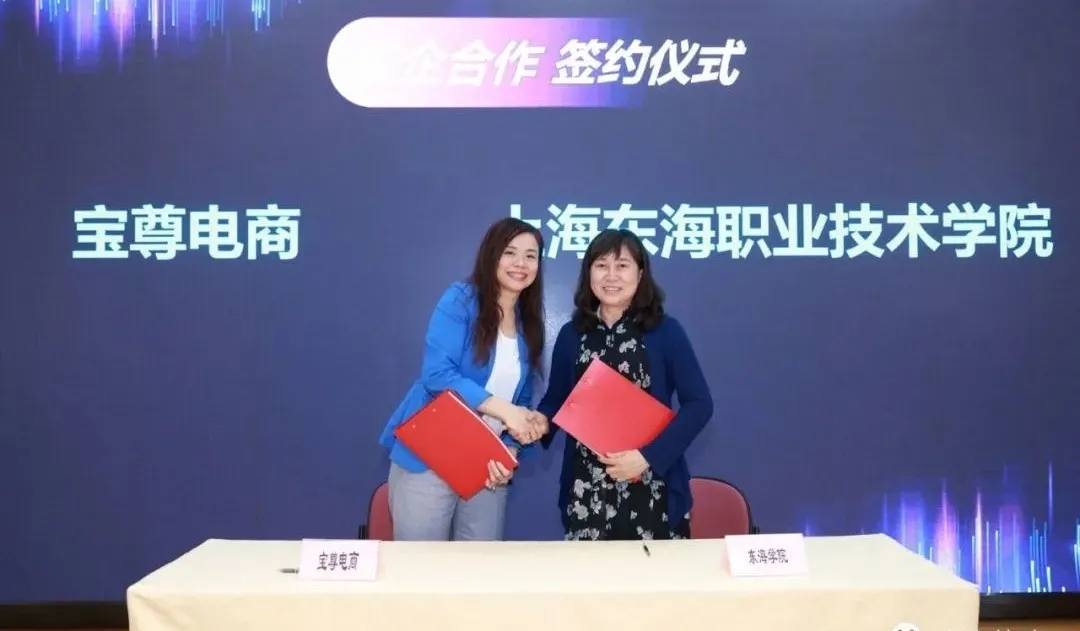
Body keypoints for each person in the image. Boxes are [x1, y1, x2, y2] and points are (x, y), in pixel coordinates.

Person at [533, 229, 713, 540]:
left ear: (640, 274)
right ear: (588, 273)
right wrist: (537, 422)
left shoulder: (665, 331)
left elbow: (699, 404)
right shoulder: (572, 334)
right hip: (587, 492)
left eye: (622, 266)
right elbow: (557, 401)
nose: (611, 276)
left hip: (651, 485)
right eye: (601, 265)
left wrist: (647, 458)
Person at [377, 217, 548, 541]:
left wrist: (513, 445)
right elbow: (437, 375)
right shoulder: (461, 299)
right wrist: (506, 411)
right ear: (492, 254)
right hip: (430, 456)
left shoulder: (528, 322)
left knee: (480, 565)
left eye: (531, 256)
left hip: (487, 466)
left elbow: (521, 397)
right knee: (422, 565)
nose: (521, 264)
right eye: (510, 253)